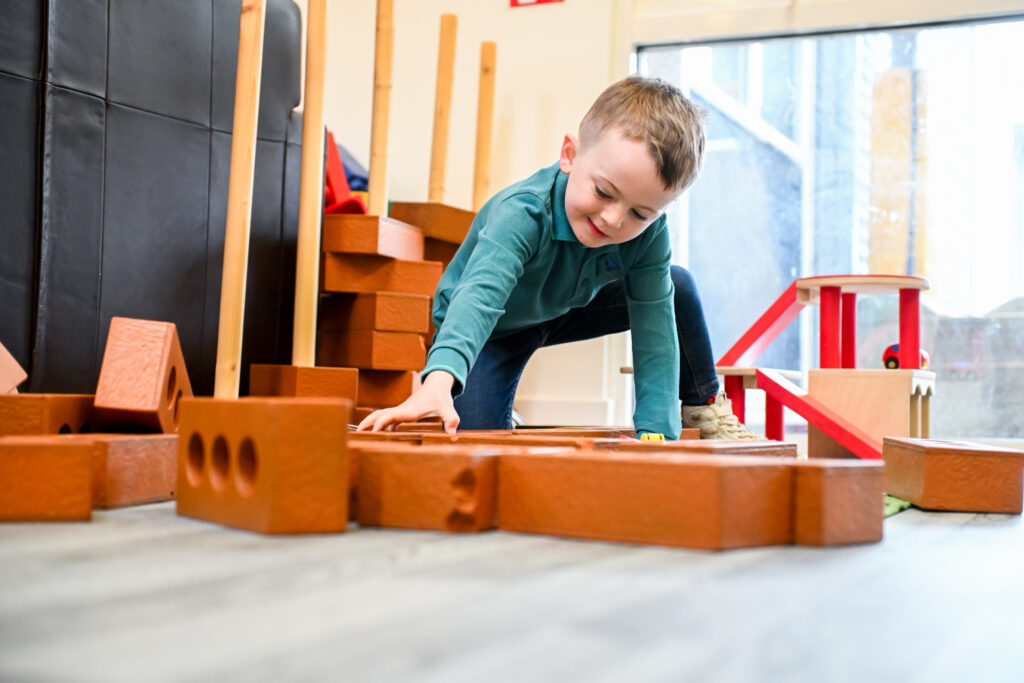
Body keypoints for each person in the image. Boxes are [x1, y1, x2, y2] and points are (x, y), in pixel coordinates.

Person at [358, 76, 757, 440]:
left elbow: (655, 330)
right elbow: (479, 298)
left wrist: (658, 433)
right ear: (570, 154)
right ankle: (497, 409)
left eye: (640, 213)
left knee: (677, 286)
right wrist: (438, 382)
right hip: (494, 328)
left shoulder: (650, 233)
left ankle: (703, 409)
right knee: (481, 440)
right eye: (603, 192)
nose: (614, 219)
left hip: (565, 308)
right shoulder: (523, 213)